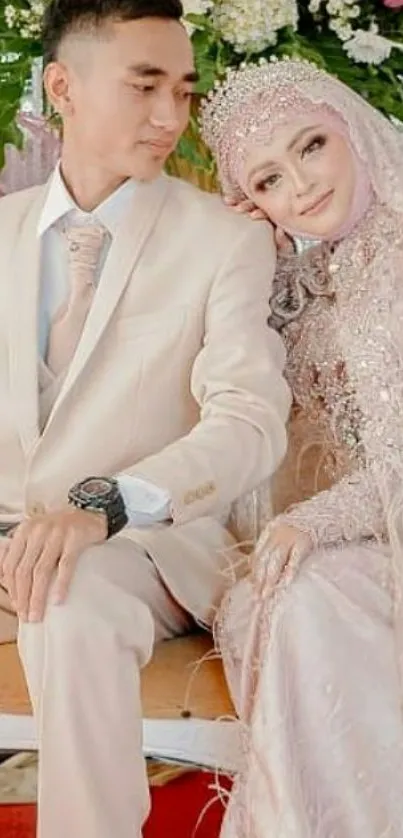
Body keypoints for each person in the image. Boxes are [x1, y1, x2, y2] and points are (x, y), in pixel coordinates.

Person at [0, 3, 291, 836]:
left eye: (184, 91)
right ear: (63, 87)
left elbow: (249, 419)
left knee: (68, 596)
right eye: (144, 86)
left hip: (139, 548)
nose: (170, 117)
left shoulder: (225, 242)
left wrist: (107, 503)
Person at [200, 58, 403, 837]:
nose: (302, 186)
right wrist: (259, 263)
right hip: (372, 540)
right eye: (268, 181)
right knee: (274, 599)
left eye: (311, 145)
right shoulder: (309, 284)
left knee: (309, 599)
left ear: (350, 123)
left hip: (366, 535)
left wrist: (315, 522)